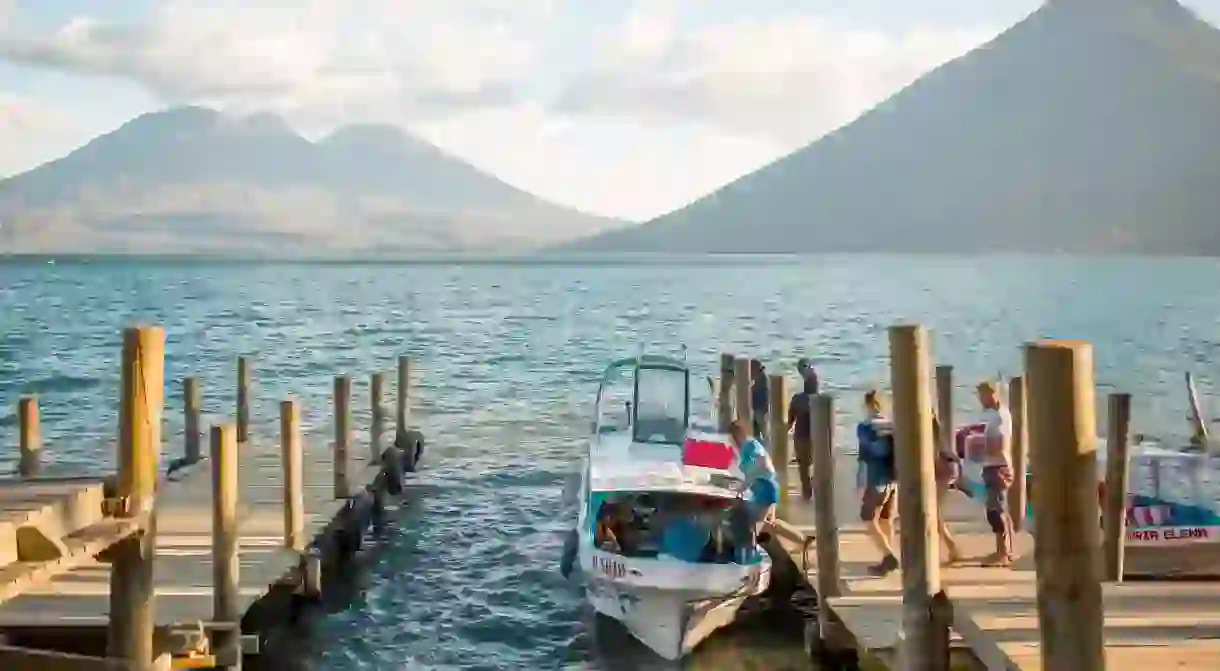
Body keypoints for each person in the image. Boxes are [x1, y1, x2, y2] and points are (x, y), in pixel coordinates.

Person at [857, 390, 898, 576]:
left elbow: (865, 456)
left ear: (867, 405)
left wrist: (860, 482)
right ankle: (887, 558)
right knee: (885, 519)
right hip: (892, 479)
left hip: (876, 479)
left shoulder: (865, 427)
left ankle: (889, 556)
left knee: (867, 518)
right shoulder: (891, 425)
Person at [727, 420, 780, 562]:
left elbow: (761, 463)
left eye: (732, 438)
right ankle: (803, 540)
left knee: (751, 523)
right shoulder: (748, 445)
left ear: (738, 434)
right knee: (766, 524)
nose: (732, 442)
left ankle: (751, 556)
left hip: (765, 489)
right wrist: (742, 484)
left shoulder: (749, 445)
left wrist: (745, 484)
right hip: (764, 489)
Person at [976, 380, 1015, 568]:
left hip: (997, 467)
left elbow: (1000, 444)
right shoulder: (999, 415)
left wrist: (978, 447)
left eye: (982, 395)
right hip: (995, 466)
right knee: (997, 510)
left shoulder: (1000, 417)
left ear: (993, 394)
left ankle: (1003, 553)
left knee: (996, 512)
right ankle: (1004, 550)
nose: (980, 400)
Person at [932, 413, 963, 565]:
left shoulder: (927, 429)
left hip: (942, 470)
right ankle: (951, 548)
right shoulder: (937, 427)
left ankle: (953, 548)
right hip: (949, 468)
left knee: (934, 514)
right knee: (934, 513)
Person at [786, 375, 818, 501]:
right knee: (819, 465)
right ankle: (812, 483)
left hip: (800, 437)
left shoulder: (797, 399)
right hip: (815, 438)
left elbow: (790, 420)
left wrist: (783, 433)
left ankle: (806, 492)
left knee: (803, 466)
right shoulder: (819, 400)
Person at [750, 359, 769, 441]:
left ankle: (765, 437)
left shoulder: (763, 381)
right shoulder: (761, 378)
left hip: (760, 408)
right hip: (758, 407)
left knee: (760, 418)